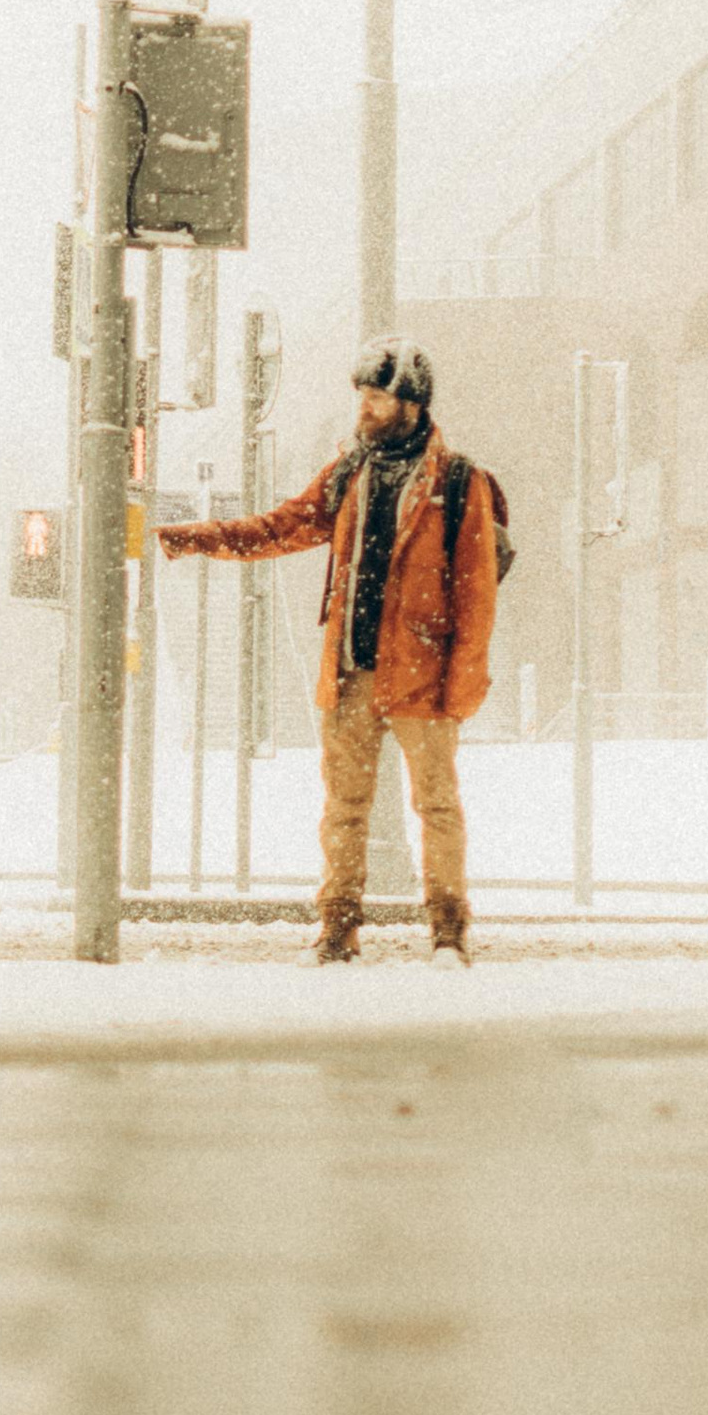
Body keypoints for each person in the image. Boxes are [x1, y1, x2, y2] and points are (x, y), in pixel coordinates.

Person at [160, 343, 502, 963]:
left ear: (411, 404)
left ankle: (448, 931)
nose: (364, 409)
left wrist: (462, 683)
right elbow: (281, 527)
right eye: (362, 397)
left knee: (436, 805)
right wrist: (193, 538)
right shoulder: (350, 471)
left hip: (423, 676)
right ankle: (338, 928)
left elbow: (476, 595)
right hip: (351, 673)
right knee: (343, 807)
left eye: (377, 398)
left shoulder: (457, 482)